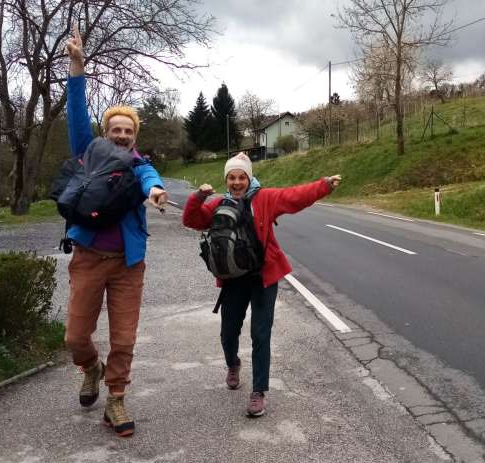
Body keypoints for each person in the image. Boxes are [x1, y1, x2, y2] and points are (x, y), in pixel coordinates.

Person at [63, 26, 168, 437]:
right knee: (75, 336)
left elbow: (149, 176)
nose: (122, 135)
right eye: (116, 129)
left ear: (135, 136)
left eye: (129, 130)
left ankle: (117, 400)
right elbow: (75, 113)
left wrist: (156, 190)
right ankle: (90, 367)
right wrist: (77, 65)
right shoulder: (89, 153)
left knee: (123, 339)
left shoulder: (139, 164)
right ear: (106, 133)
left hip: (128, 264)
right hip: (89, 258)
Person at [182, 152, 341, 416]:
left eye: (241, 177)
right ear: (226, 179)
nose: (236, 182)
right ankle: (233, 364)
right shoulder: (219, 203)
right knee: (228, 333)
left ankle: (258, 391)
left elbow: (295, 196)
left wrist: (323, 185)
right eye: (231, 177)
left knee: (260, 334)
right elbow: (192, 220)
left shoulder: (265, 198)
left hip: (264, 277)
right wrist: (197, 197)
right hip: (234, 279)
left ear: (249, 177)